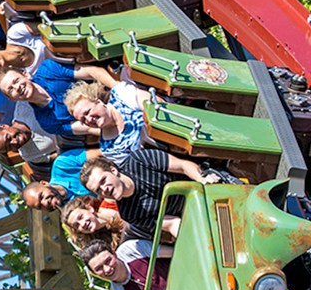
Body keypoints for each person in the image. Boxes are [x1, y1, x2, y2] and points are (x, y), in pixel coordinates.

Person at [79, 151, 210, 240]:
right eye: (98, 190)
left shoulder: (138, 161)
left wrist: (203, 180)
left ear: (113, 170)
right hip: (195, 215)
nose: (104, 189)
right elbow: (172, 223)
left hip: (203, 187)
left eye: (103, 180)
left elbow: (183, 166)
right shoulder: (129, 214)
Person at [62, 80, 150, 165]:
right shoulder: (108, 148)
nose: (89, 119)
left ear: (98, 102)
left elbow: (154, 104)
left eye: (88, 112)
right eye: (83, 120)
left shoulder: (121, 95)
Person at [79, 236, 168, 290]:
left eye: (108, 261)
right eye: (99, 268)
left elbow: (175, 253)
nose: (107, 269)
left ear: (114, 254)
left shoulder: (131, 249)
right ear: (94, 273)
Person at [61, 193, 126, 243]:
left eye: (81, 217)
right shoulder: (101, 244)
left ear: (90, 209)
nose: (82, 224)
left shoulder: (111, 202)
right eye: (77, 225)